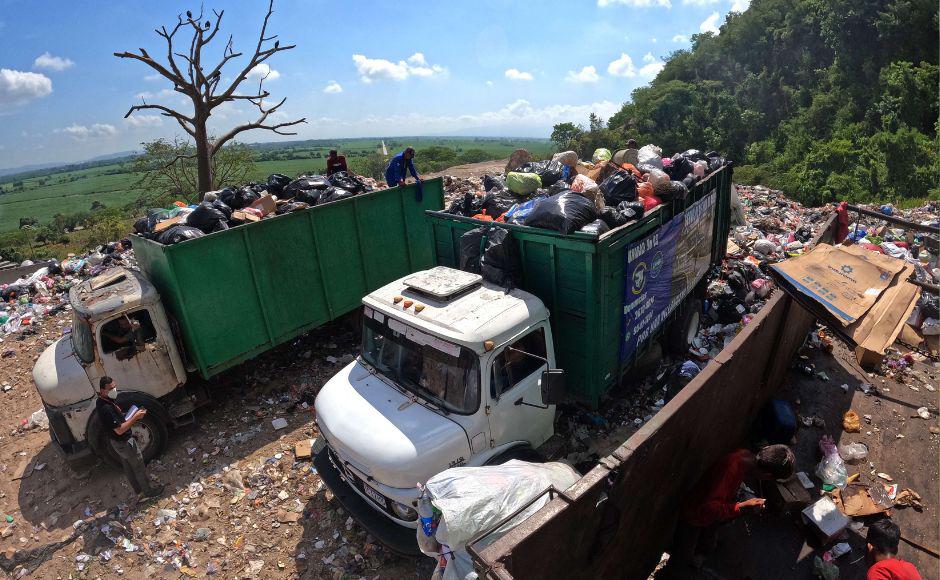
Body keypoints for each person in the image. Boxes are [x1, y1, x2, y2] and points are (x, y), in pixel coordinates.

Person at [671, 445, 795, 569]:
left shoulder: (745, 456)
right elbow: (709, 508)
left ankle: (702, 550)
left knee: (709, 541)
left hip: (710, 509)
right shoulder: (731, 469)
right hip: (694, 516)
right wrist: (742, 507)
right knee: (681, 557)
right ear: (767, 476)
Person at [95, 377, 164, 501]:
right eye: (111, 389)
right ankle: (148, 492)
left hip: (117, 442)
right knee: (138, 466)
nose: (114, 390)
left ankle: (139, 492)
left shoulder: (101, 401)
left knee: (128, 468)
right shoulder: (106, 408)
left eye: (114, 387)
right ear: (103, 391)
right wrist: (135, 417)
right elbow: (119, 430)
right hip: (124, 442)